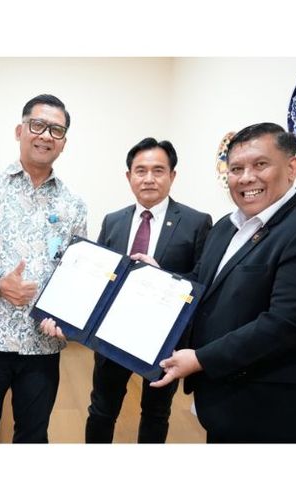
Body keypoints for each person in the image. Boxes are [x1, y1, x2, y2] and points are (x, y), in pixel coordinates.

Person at [151, 122, 296, 443]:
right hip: (227, 403)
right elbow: (200, 285)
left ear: (292, 168)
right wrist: (155, 279)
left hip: (286, 418)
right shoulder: (226, 226)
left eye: (260, 164)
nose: (246, 177)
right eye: (236, 169)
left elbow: (285, 324)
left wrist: (200, 359)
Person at [0, 94, 87, 443]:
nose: (46, 135)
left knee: (34, 436)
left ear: (64, 142)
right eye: (37, 125)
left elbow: (76, 273)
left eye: (56, 130)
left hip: (42, 343)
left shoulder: (73, 204)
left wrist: (67, 317)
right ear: (19, 131)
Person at [83, 137, 211, 443]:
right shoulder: (113, 221)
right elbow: (100, 275)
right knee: (101, 409)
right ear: (129, 176)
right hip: (113, 333)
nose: (149, 178)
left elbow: (201, 282)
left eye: (158, 170)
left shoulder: (196, 222)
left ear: (172, 175)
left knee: (156, 413)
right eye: (140, 171)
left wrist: (162, 277)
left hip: (164, 340)